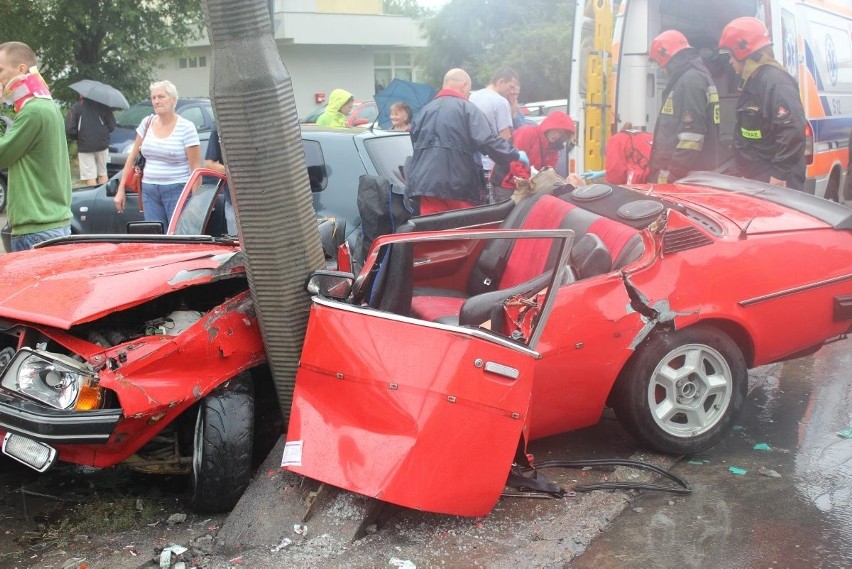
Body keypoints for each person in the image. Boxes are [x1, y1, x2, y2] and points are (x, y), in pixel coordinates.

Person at [406, 68, 526, 215]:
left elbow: (415, 145)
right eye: (468, 90)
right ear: (464, 85)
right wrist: (515, 155)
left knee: (433, 233)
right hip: (459, 186)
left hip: (425, 187)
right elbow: (488, 141)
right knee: (462, 233)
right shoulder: (467, 109)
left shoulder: (424, 112)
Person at [718, 17, 806, 190]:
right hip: (759, 179)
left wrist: (780, 174)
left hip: (776, 182)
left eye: (730, 55)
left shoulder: (774, 81)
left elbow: (792, 130)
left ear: (742, 50)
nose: (730, 61)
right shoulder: (754, 81)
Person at [0, 41, 73, 252]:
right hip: (47, 224)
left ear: (21, 69)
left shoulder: (33, 111)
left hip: (37, 228)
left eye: (1, 70)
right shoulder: (45, 106)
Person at [114, 80, 201, 227]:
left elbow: (196, 168)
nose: (156, 101)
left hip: (177, 189)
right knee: (155, 237)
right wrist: (120, 189)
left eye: (161, 97)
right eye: (153, 98)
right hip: (149, 190)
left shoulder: (186, 127)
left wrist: (196, 202)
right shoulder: (147, 123)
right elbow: (132, 157)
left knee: (177, 236)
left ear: (173, 100)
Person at [647, 30, 720, 184]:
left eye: (659, 63)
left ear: (665, 56)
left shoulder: (689, 82)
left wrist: (673, 175)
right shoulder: (692, 78)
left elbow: (692, 137)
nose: (661, 69)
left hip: (681, 177)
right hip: (686, 174)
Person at [495, 110, 578, 192]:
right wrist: (531, 183)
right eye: (556, 130)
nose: (557, 135)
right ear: (549, 126)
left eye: (561, 133)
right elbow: (515, 162)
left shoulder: (553, 149)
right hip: (506, 183)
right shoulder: (528, 132)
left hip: (527, 187)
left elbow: (547, 174)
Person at [469, 66, 521, 180]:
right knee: (493, 197)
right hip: (492, 164)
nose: (512, 91)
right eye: (511, 86)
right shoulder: (500, 102)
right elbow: (506, 138)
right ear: (501, 82)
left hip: (474, 162)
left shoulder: (472, 96)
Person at [65, 96, 116, 186]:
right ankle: (103, 196)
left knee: (90, 176)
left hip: (85, 146)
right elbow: (112, 126)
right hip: (102, 145)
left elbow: (69, 129)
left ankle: (93, 197)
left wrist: (78, 137)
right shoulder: (103, 106)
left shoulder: (76, 107)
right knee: (103, 173)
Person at [203, 125, 237, 235]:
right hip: (233, 202)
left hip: (262, 200)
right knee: (237, 244)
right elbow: (209, 164)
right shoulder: (218, 128)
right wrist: (236, 172)